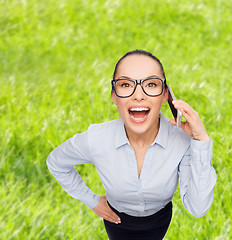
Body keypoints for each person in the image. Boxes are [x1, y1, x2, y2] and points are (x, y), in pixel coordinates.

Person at [46, 49, 217, 240]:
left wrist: (201, 141)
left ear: (165, 96)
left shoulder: (182, 142)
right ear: (114, 96)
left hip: (159, 219)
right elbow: (56, 162)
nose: (138, 95)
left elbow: (198, 208)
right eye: (126, 84)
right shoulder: (97, 138)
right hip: (116, 221)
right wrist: (91, 200)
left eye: (151, 84)